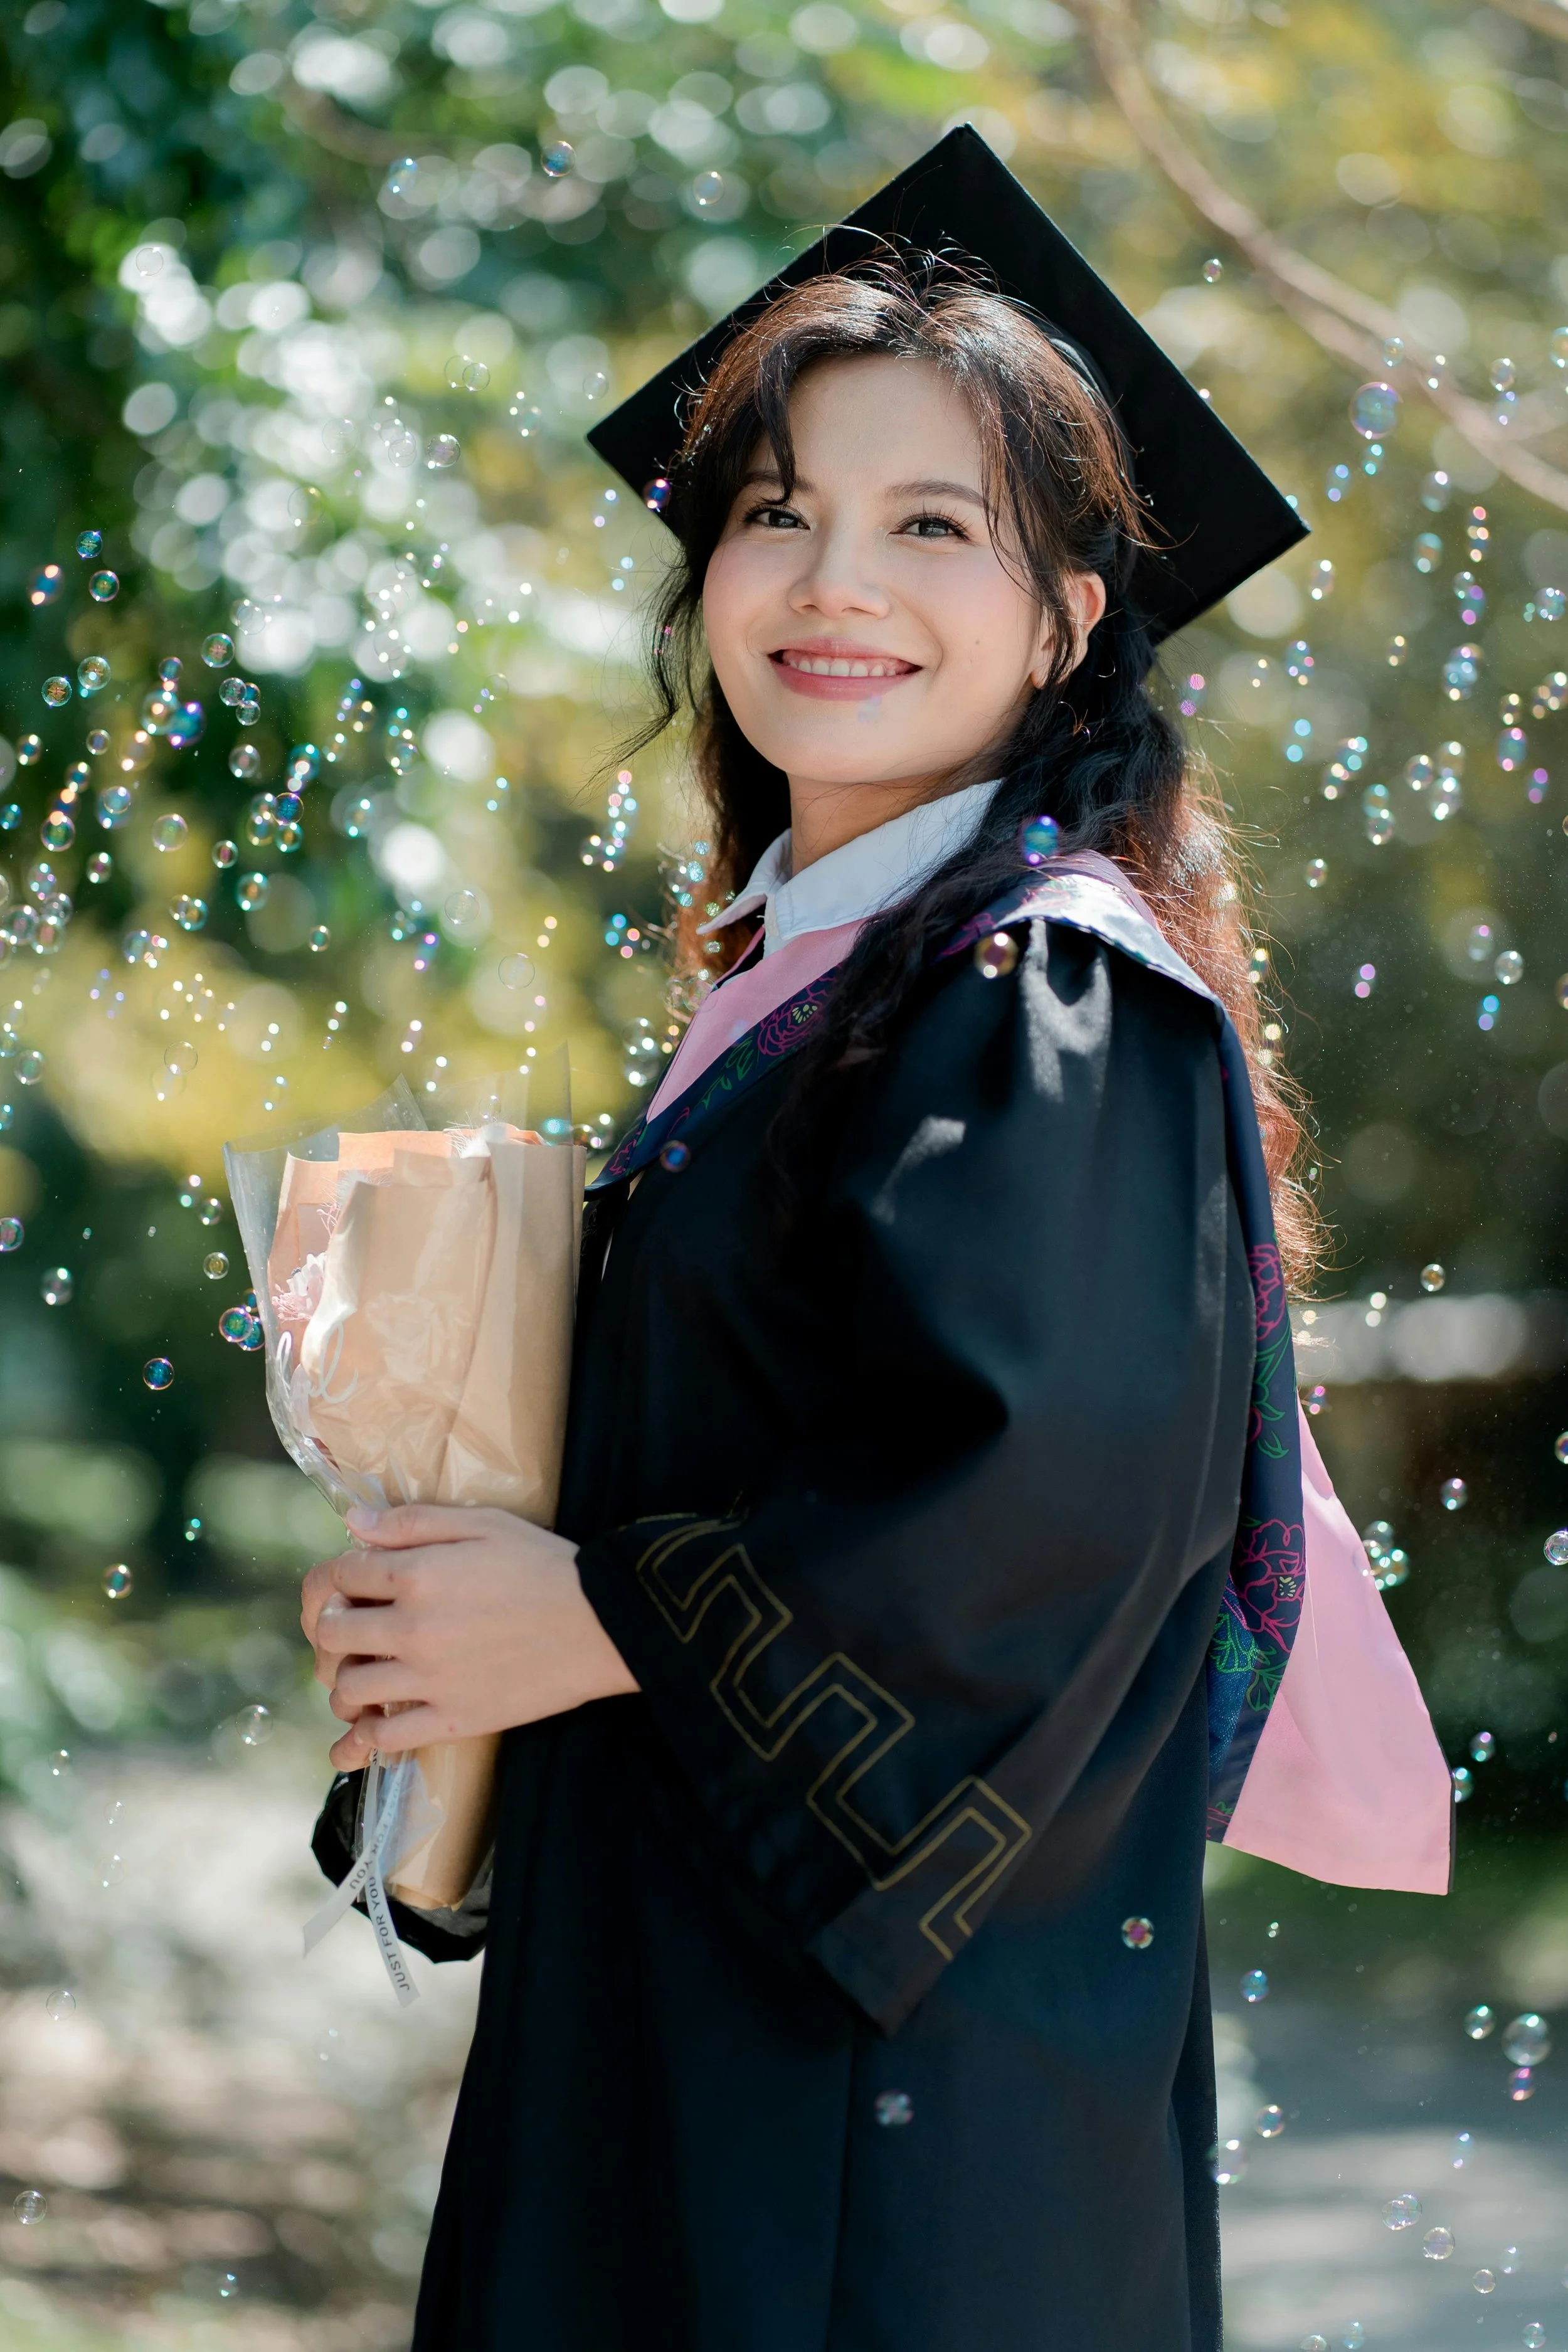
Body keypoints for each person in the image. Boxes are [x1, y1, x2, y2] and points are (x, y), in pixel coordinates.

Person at [304, 129, 1449, 2352]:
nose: (834, 582)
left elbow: (1029, 1511)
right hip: (721, 2012)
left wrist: (593, 1611)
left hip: (884, 2126)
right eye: (776, 513)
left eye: (936, 525)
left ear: (1068, 616)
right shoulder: (826, 987)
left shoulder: (1046, 991)